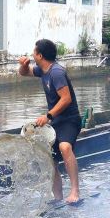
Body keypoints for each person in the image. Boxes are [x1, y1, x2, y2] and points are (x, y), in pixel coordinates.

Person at [18, 39, 82, 203]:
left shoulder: (56, 72)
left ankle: (75, 191)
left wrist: (48, 116)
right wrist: (24, 65)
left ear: (40, 55)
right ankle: (58, 196)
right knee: (49, 156)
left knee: (64, 147)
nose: (32, 54)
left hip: (70, 120)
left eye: (34, 52)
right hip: (56, 121)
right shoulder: (43, 69)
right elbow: (24, 73)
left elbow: (66, 99)